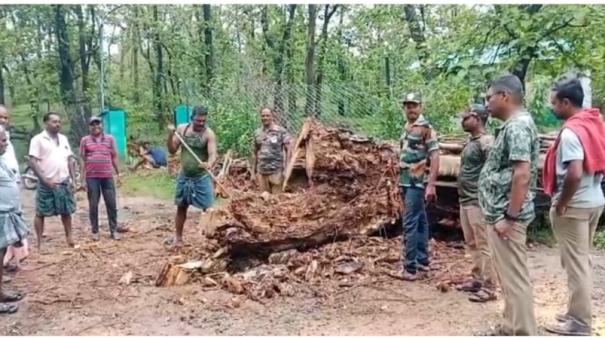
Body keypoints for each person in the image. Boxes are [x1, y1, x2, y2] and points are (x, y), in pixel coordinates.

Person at [542, 78, 605, 336]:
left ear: (566, 103)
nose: (552, 107)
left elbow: (575, 172)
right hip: (594, 200)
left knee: (576, 264)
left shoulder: (570, 132)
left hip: (575, 206)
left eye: (554, 103)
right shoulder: (593, 123)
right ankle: (574, 311)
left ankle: (579, 323)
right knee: (581, 261)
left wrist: (562, 203)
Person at [478, 74, 539, 335]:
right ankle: (510, 325)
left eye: (489, 96)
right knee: (507, 277)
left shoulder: (517, 126)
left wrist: (509, 217)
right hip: (499, 214)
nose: (486, 102)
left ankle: (523, 331)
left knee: (515, 280)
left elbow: (522, 174)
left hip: (507, 218)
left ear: (505, 96)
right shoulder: (512, 125)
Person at [455, 104, 498, 303]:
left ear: (478, 119)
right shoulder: (472, 141)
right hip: (466, 199)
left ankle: (490, 286)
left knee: (484, 244)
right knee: (472, 243)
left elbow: (494, 170)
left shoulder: (487, 141)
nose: (463, 120)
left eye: (467, 116)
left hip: (478, 201)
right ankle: (477, 279)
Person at [398, 92, 440, 281]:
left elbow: (435, 155)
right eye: (408, 106)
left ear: (421, 107)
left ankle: (410, 268)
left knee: (410, 222)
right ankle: (422, 262)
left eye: (414, 105)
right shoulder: (407, 127)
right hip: (406, 181)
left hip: (416, 182)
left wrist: (431, 184)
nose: (411, 109)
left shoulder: (426, 128)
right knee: (421, 221)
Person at [166, 105, 217, 247]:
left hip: (201, 177)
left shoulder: (208, 134)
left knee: (208, 209)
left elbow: (213, 154)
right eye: (198, 120)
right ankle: (178, 238)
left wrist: (209, 164)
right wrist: (170, 136)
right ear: (192, 118)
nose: (201, 123)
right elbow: (172, 150)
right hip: (185, 176)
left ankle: (212, 242)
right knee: (181, 207)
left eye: (203, 121)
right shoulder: (182, 129)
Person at [28, 112, 77, 249]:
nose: (58, 124)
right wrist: (44, 180)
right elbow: (32, 161)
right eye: (54, 122)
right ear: (46, 123)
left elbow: (70, 160)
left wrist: (73, 180)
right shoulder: (38, 139)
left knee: (66, 211)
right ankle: (40, 242)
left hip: (64, 181)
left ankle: (69, 237)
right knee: (41, 212)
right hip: (47, 182)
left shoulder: (63, 138)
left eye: (59, 122)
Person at [0, 124, 28, 314]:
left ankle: (0, 293)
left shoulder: (1, 160)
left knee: (1, 255)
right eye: (3, 140)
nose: (6, 143)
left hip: (6, 214)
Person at [79, 116, 121, 241]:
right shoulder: (85, 140)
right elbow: (82, 158)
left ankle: (113, 230)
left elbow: (114, 156)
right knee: (93, 204)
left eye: (98, 123)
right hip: (92, 177)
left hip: (107, 176)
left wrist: (118, 174)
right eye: (93, 124)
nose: (96, 126)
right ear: (89, 127)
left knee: (111, 203)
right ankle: (95, 231)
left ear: (102, 125)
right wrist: (82, 179)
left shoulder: (110, 139)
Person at [0, 106, 29, 271]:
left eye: (6, 117)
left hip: (10, 206)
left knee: (8, 240)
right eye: (0, 117)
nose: (3, 120)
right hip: (2, 210)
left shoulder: (5, 143)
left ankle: (14, 260)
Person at [252, 107, 292, 193]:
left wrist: (287, 168)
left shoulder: (281, 131)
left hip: (276, 171)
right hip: (262, 172)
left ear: (272, 116)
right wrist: (253, 172)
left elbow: (289, 150)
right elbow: (254, 153)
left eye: (267, 115)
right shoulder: (257, 133)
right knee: (263, 200)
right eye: (263, 116)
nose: (265, 118)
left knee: (276, 201)